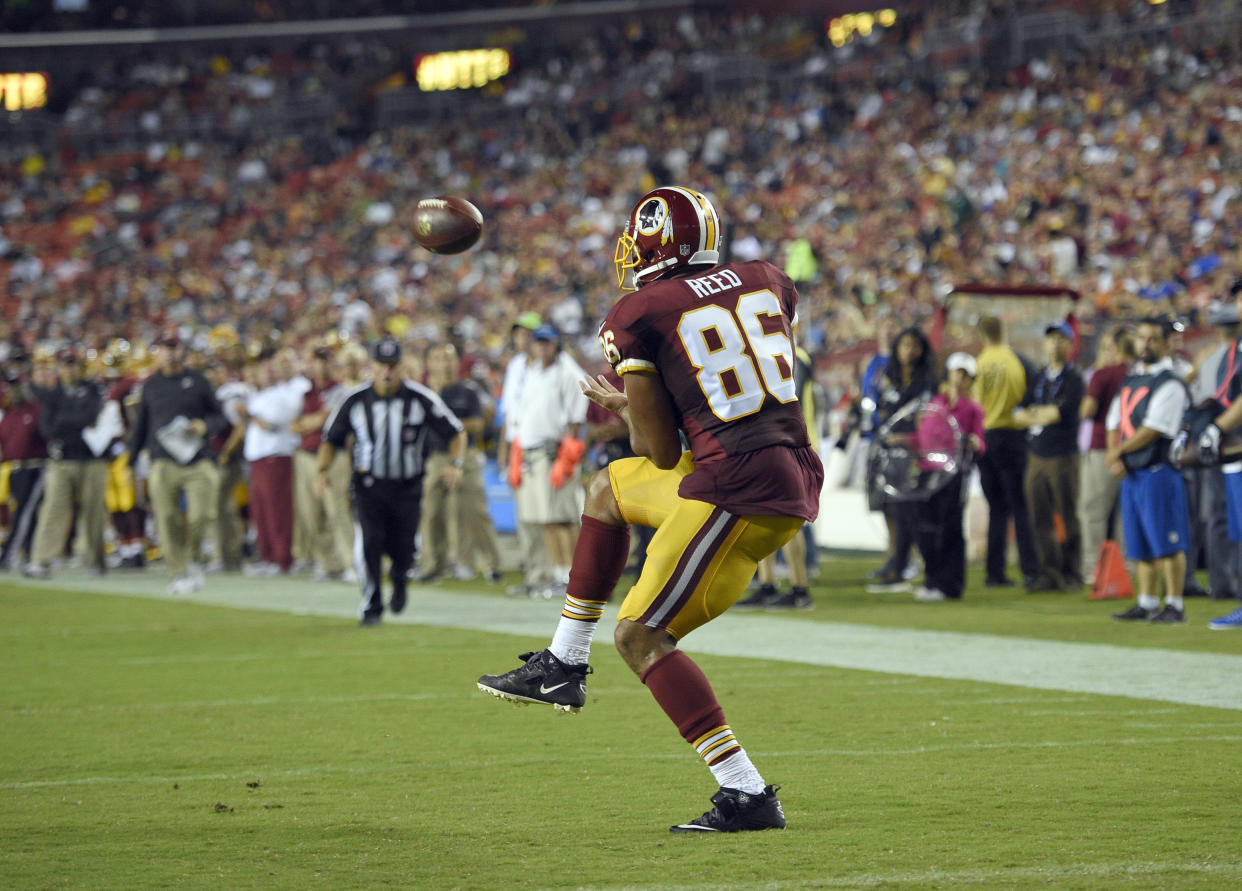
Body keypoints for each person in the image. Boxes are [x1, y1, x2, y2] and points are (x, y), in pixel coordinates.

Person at [478, 186, 824, 833]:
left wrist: (632, 410)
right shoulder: (766, 278)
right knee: (606, 489)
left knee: (639, 636)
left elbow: (660, 451)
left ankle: (747, 793)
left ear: (659, 242)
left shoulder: (641, 309)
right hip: (787, 464)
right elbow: (739, 381)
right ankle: (563, 661)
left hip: (737, 486)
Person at [316, 337, 466, 626]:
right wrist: (322, 470)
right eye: (382, 365)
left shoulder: (420, 398)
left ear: (402, 367)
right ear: (372, 367)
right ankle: (372, 603)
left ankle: (399, 579)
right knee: (370, 542)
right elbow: (330, 439)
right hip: (369, 486)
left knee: (404, 547)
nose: (387, 372)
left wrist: (456, 464)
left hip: (408, 486)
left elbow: (456, 432)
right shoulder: (355, 400)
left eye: (392, 366)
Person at [127, 335, 227, 595]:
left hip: (197, 458)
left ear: (181, 351)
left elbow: (220, 417)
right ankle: (178, 572)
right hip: (162, 460)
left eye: (174, 348)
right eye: (165, 349)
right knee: (166, 517)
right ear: (157, 353)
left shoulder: (198, 380)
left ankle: (193, 559)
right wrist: (130, 462)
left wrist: (204, 426)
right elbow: (140, 428)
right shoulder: (150, 386)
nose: (170, 354)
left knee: (201, 515)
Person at [1106, 316, 1191, 623]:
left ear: (1167, 343)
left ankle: (1175, 604)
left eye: (1152, 338)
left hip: (1158, 470)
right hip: (1132, 472)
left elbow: (1154, 428)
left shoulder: (1170, 382)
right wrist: (1114, 455)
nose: (1145, 344)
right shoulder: (1130, 380)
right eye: (1141, 338)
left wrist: (1117, 451)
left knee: (1168, 542)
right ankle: (1146, 601)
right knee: (1140, 544)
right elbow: (1113, 422)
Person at [507, 323, 590, 599]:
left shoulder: (567, 371)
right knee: (547, 520)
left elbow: (577, 416)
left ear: (557, 344)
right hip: (532, 453)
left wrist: (567, 455)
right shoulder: (535, 370)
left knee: (560, 519)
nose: (542, 347)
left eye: (547, 342)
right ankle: (559, 576)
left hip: (553, 452)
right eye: (538, 342)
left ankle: (571, 579)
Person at [417, 343, 502, 583]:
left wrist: (449, 426)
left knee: (475, 510)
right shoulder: (423, 393)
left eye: (448, 359)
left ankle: (492, 564)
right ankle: (433, 565)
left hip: (466, 455)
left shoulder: (467, 391)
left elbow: (477, 425)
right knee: (431, 512)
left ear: (456, 363)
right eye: (438, 358)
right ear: (429, 364)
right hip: (435, 457)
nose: (444, 364)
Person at [23, 347, 109, 579]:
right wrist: (75, 422)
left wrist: (65, 421)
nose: (69, 368)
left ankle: (96, 561)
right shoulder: (55, 392)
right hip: (61, 461)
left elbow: (91, 416)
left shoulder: (92, 388)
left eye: (73, 364)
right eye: (66, 364)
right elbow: (47, 428)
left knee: (94, 513)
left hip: (92, 460)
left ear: (80, 366)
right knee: (53, 510)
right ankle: (41, 560)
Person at [1012, 321, 1085, 592]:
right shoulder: (1040, 376)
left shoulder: (1073, 379)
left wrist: (1035, 414)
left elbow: (1059, 414)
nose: (1055, 344)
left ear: (1069, 344)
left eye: (1060, 339)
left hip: (1062, 455)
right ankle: (1048, 572)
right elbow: (1018, 414)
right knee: (1039, 516)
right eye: (1051, 339)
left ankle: (1072, 573)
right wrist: (1039, 414)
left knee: (1068, 515)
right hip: (1037, 454)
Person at [864, 325, 937, 594]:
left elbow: (926, 419)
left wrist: (909, 441)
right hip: (885, 452)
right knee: (888, 508)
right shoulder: (889, 378)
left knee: (908, 511)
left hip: (911, 452)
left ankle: (908, 562)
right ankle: (894, 557)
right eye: (904, 345)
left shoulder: (926, 382)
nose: (909, 351)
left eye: (914, 346)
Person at [912, 352, 985, 602]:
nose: (959, 380)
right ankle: (932, 579)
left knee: (950, 529)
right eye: (957, 373)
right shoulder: (935, 403)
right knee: (926, 529)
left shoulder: (972, 409)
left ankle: (950, 585)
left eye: (965, 376)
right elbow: (923, 436)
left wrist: (974, 442)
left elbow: (980, 441)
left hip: (955, 475)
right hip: (929, 471)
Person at [974, 315, 1039, 588]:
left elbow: (973, 402)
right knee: (1020, 507)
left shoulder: (978, 364)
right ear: (1004, 331)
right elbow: (1031, 396)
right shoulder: (1019, 361)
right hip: (1012, 436)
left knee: (996, 509)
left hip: (985, 439)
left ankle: (994, 573)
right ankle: (1030, 570)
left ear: (982, 335)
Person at [238, 349, 309, 576]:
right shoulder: (259, 396)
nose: (264, 375)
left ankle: (282, 559)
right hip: (258, 458)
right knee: (260, 511)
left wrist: (248, 415)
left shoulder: (285, 394)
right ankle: (267, 556)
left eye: (269, 371)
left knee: (277, 510)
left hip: (275, 456)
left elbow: (274, 424)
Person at [1078, 327, 1135, 583]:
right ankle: (1130, 567)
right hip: (1136, 448)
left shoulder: (1102, 374)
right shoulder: (1138, 375)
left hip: (1103, 447)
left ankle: (1094, 569)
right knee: (1126, 513)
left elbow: (1087, 411)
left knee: (1093, 512)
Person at [0, 368, 47, 571]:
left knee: (24, 512)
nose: (14, 390)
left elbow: (46, 434)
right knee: (23, 512)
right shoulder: (9, 413)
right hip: (15, 469)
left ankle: (9, 555)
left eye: (17, 385)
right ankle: (28, 553)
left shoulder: (36, 409)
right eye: (11, 386)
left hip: (35, 467)